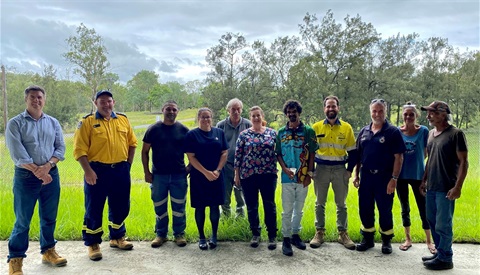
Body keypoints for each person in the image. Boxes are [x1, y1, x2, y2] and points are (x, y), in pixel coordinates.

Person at [5, 85, 67, 274]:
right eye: (32, 97)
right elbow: (18, 154)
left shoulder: (53, 122)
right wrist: (38, 171)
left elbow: (60, 148)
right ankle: (15, 259)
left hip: (51, 175)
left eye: (39, 97)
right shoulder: (15, 124)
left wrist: (47, 167)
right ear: (26, 100)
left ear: (44, 99)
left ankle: (48, 251)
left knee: (49, 217)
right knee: (22, 220)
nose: (36, 100)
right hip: (25, 177)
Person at [73, 90, 137, 261]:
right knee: (94, 207)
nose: (106, 104)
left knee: (121, 205)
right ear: (96, 103)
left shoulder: (122, 120)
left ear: (113, 102)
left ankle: (117, 237)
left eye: (109, 101)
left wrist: (127, 165)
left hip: (120, 170)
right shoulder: (87, 122)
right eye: (102, 101)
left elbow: (132, 144)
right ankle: (93, 243)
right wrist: (88, 171)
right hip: (97, 171)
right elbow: (79, 150)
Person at [353, 99, 406, 254]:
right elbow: (359, 156)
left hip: (385, 178)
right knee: (365, 208)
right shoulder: (364, 131)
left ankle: (386, 241)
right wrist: (356, 175)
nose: (377, 114)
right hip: (366, 177)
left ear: (385, 111)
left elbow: (399, 157)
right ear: (370, 112)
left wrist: (394, 179)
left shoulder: (393, 132)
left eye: (380, 111)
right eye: (374, 111)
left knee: (385, 209)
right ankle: (368, 239)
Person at [420, 101, 468, 270]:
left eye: (432, 113)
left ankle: (446, 258)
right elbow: (430, 159)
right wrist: (424, 180)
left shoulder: (456, 134)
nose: (428, 116)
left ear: (442, 114)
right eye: (428, 113)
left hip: (446, 187)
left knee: (443, 224)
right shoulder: (431, 134)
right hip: (432, 186)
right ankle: (440, 252)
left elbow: (463, 162)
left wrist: (458, 187)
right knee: (432, 220)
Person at [310, 95, 357, 250]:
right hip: (321, 170)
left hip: (340, 170)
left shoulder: (346, 128)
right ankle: (319, 233)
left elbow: (353, 152)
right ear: (324, 109)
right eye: (328, 106)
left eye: (333, 106)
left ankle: (343, 234)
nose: (331, 109)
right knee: (319, 203)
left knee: (341, 204)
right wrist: (311, 170)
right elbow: (309, 151)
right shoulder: (316, 127)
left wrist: (350, 171)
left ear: (338, 108)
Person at [141, 100, 189, 248]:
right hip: (158, 176)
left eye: (174, 110)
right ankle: (161, 234)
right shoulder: (153, 129)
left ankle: (179, 234)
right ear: (162, 110)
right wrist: (146, 172)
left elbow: (193, 151)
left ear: (178, 112)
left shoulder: (183, 130)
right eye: (168, 109)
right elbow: (144, 151)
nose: (171, 112)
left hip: (178, 176)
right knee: (159, 206)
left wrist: (189, 168)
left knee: (179, 206)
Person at [275, 100, 317, 256]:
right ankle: (286, 238)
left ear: (299, 113)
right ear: (286, 114)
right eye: (289, 112)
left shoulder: (308, 131)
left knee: (298, 209)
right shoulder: (280, 132)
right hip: (287, 178)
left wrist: (309, 175)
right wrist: (284, 169)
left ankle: (295, 235)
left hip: (303, 177)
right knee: (287, 210)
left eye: (295, 112)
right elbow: (278, 153)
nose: (292, 114)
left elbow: (312, 153)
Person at [234, 106, 278, 250]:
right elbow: (238, 156)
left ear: (262, 116)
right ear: (250, 118)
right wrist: (237, 174)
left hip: (268, 175)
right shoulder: (244, 135)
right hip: (248, 175)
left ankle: (272, 235)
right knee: (252, 206)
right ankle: (255, 234)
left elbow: (279, 153)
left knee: (269, 205)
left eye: (258, 115)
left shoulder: (272, 133)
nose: (256, 118)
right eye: (253, 116)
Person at [185, 108, 228, 250]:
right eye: (203, 117)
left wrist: (217, 170)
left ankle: (214, 236)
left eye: (208, 117)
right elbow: (191, 157)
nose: (206, 120)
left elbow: (224, 153)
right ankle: (202, 237)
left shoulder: (219, 133)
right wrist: (205, 172)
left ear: (212, 118)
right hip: (199, 176)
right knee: (200, 207)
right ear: (198, 118)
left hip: (216, 175)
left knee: (215, 206)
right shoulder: (192, 135)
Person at [396, 102, 435, 253]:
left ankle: (429, 241)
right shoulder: (397, 132)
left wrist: (423, 171)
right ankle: (408, 239)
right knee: (404, 208)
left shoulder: (424, 131)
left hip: (419, 176)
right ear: (402, 116)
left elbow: (426, 153)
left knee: (423, 208)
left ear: (416, 116)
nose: (408, 117)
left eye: (411, 114)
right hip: (401, 176)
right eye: (405, 114)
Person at [216, 98, 252, 218]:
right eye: (233, 109)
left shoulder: (247, 124)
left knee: (240, 195)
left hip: (243, 166)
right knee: (224, 194)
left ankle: (240, 218)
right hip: (226, 165)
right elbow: (217, 146)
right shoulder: (221, 125)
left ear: (241, 110)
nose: (236, 112)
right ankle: (225, 218)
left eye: (238, 109)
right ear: (228, 110)